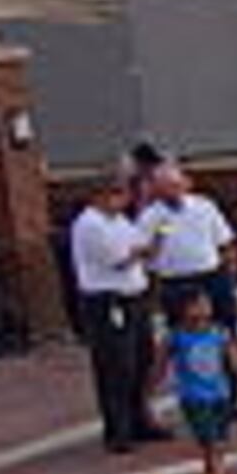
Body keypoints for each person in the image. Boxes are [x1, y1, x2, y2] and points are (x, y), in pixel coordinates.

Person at [71, 181, 164, 452]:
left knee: (141, 359)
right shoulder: (90, 225)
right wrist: (142, 250)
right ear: (100, 195)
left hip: (135, 296)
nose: (123, 201)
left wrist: (158, 234)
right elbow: (121, 259)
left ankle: (140, 420)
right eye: (118, 194)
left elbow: (143, 246)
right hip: (108, 300)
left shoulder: (120, 221)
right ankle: (117, 430)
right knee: (116, 365)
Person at [161, 288, 237, 474]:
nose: (204, 309)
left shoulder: (218, 333)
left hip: (220, 395)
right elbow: (160, 364)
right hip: (195, 399)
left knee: (218, 446)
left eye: (205, 304)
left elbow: (231, 357)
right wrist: (149, 389)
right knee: (211, 445)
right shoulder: (176, 337)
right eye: (197, 304)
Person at [140, 164, 237, 341]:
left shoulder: (204, 206)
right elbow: (145, 255)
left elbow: (224, 241)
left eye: (175, 185)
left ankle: (229, 364)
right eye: (166, 187)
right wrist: (160, 234)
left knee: (224, 326)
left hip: (211, 276)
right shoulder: (149, 217)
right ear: (157, 190)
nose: (172, 192)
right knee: (180, 332)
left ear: (185, 184)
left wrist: (230, 273)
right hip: (175, 281)